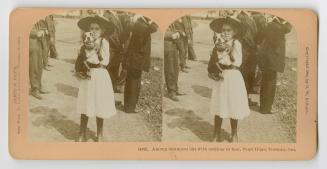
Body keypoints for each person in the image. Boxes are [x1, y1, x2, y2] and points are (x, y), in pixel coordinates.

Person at [208, 16, 250, 142]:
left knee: (233, 104)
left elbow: (234, 60)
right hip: (222, 77)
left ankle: (234, 133)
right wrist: (214, 68)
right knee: (219, 104)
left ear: (235, 32)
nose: (225, 33)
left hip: (233, 76)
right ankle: (216, 133)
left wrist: (224, 49)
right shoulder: (218, 44)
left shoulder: (236, 43)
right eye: (223, 30)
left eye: (228, 30)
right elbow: (215, 61)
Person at [75, 15, 117, 142]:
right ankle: (82, 132)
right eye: (91, 28)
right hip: (89, 74)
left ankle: (99, 133)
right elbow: (82, 58)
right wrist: (84, 50)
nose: (93, 31)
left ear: (102, 31)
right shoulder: (85, 42)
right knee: (85, 102)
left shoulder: (104, 42)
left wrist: (95, 48)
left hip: (100, 74)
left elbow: (106, 60)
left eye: (97, 29)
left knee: (99, 103)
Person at [123, 16, 158, 113]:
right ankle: (130, 108)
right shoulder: (141, 25)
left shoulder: (140, 23)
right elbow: (153, 28)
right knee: (134, 84)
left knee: (132, 83)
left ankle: (128, 106)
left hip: (135, 59)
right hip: (136, 60)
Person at [258, 16, 292, 114]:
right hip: (271, 61)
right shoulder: (276, 27)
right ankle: (265, 109)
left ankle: (265, 107)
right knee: (269, 85)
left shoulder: (272, 25)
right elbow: (288, 28)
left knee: (267, 84)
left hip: (268, 60)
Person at [237, 10, 258, 106]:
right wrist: (254, 46)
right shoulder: (245, 19)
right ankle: (244, 99)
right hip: (247, 52)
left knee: (243, 75)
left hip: (244, 51)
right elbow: (247, 37)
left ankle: (242, 98)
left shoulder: (242, 17)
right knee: (246, 75)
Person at [103, 10, 124, 93]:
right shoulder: (108, 16)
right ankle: (106, 92)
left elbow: (119, 32)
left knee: (114, 72)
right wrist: (119, 47)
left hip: (115, 49)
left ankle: (110, 92)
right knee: (109, 71)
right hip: (111, 48)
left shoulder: (114, 15)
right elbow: (110, 35)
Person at [164, 24, 186, 102]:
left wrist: (179, 32)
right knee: (170, 70)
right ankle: (171, 92)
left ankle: (175, 88)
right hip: (167, 46)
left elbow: (173, 29)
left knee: (176, 69)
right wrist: (171, 35)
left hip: (173, 46)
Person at [29, 20, 50, 100]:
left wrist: (43, 30)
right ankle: (34, 89)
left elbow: (39, 26)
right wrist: (36, 33)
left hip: (39, 44)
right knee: (34, 67)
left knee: (40, 67)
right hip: (32, 45)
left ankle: (39, 86)